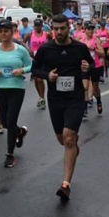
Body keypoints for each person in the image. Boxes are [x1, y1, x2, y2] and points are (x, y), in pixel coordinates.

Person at [31, 14, 92, 200]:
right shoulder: (46, 49)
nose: (59, 32)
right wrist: (47, 75)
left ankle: (65, 184)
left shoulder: (79, 48)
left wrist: (86, 69)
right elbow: (34, 69)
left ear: (69, 28)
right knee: (62, 140)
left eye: (62, 29)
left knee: (68, 137)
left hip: (75, 98)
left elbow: (91, 65)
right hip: (56, 98)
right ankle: (72, 147)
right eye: (56, 29)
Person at [0, 20, 31, 167]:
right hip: (0, 87)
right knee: (5, 121)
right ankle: (19, 131)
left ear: (12, 32)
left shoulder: (20, 49)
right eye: (1, 31)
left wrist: (22, 70)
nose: (4, 33)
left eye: (6, 31)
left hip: (16, 88)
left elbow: (31, 64)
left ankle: (9, 154)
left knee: (11, 120)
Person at [29, 19, 49, 110]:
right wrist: (28, 50)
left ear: (42, 26)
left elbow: (52, 41)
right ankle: (40, 97)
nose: (37, 27)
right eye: (36, 25)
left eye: (39, 25)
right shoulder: (30, 34)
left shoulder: (46, 34)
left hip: (44, 59)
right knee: (36, 80)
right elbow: (22, 41)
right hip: (34, 59)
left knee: (40, 79)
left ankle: (42, 98)